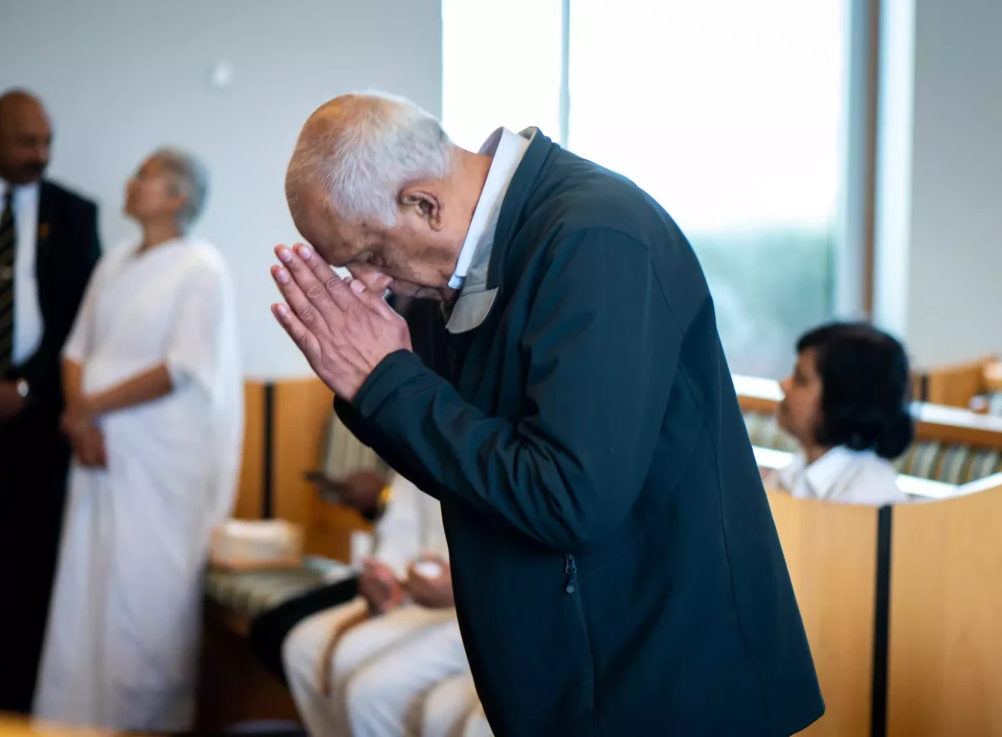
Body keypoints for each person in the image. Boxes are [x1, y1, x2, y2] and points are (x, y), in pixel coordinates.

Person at [269, 93, 824, 735]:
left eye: (367, 255)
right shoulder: (464, 262)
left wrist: (386, 384)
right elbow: (465, 464)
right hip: (576, 666)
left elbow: (569, 496)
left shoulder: (595, 238)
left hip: (663, 676)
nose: (371, 283)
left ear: (423, 204)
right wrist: (375, 384)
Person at [32, 148, 243, 733]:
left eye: (144, 176)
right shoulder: (116, 261)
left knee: (144, 598)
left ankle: (146, 722)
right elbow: (76, 348)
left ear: (177, 197)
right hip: (97, 453)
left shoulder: (201, 267)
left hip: (159, 467)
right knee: (87, 594)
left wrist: (87, 412)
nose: (129, 181)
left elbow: (181, 366)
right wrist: (82, 418)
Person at [0, 90, 100, 713]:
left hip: (37, 410)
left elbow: (82, 321)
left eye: (46, 142)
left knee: (25, 565)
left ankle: (11, 700)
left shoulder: (74, 214)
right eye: (26, 142)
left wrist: (25, 387)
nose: (39, 155)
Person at [283, 471, 474, 737]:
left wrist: (469, 589)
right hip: (425, 591)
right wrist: (389, 582)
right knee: (302, 646)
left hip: (482, 610)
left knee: (372, 691)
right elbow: (403, 524)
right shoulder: (433, 432)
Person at [769, 322, 912, 506]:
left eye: (800, 379)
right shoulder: (792, 473)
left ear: (840, 400)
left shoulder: (869, 498)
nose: (783, 384)